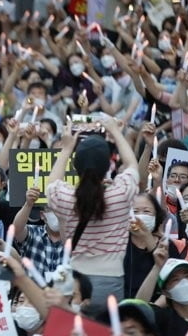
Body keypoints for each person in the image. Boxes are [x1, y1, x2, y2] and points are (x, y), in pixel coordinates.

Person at [46, 119, 140, 310]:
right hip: (111, 281)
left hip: (76, 284)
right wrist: (116, 131)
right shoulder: (121, 194)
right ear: (108, 165)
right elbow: (131, 164)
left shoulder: (65, 198)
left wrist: (65, 149)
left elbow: (51, 185)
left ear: (76, 166)